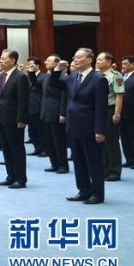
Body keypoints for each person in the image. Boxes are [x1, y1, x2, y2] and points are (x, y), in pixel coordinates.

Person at [51, 48, 108, 204]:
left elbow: (101, 108)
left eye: (79, 57)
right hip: (73, 125)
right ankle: (83, 190)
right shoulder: (73, 76)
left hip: (90, 127)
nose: (75, 60)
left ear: (89, 60)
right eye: (74, 57)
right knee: (79, 160)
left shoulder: (98, 79)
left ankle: (97, 193)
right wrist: (58, 69)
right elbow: (54, 83)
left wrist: (100, 130)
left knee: (93, 161)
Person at [0, 49, 29, 189]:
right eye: (0, 58)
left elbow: (23, 100)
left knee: (16, 149)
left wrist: (21, 119)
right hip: (1, 117)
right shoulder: (1, 76)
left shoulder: (20, 76)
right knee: (7, 149)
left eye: (4, 58)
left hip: (14, 118)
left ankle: (20, 179)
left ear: (13, 60)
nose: (0, 61)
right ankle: (10, 176)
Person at [31, 54, 69, 174]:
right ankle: (54, 164)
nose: (46, 62)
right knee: (49, 141)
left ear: (57, 64)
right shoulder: (47, 77)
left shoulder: (62, 78)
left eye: (49, 61)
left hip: (57, 112)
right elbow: (36, 85)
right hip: (45, 112)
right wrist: (31, 73)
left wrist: (62, 113)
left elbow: (64, 97)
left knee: (59, 141)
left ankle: (63, 165)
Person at [96, 52, 124, 182]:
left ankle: (115, 171)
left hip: (109, 109)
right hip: (98, 110)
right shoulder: (96, 75)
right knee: (100, 140)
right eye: (97, 59)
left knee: (111, 141)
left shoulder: (115, 75)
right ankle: (104, 168)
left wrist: (117, 113)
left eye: (100, 59)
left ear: (108, 62)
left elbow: (119, 95)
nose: (97, 61)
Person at [119, 55, 134, 169]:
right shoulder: (121, 76)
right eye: (122, 64)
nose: (123, 66)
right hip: (121, 112)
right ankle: (129, 159)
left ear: (133, 65)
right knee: (124, 137)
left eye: (125, 64)